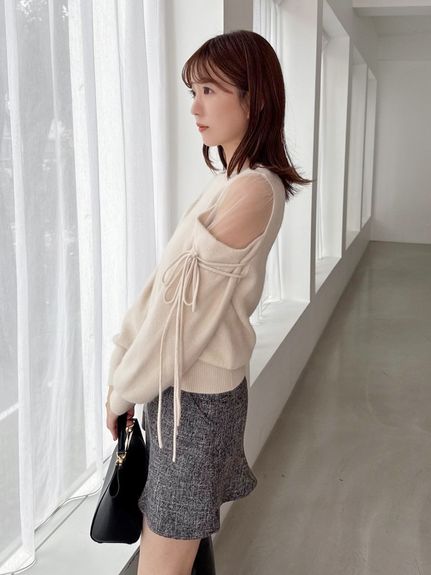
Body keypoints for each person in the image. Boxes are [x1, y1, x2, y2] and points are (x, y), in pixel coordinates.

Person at [105, 29, 312, 575]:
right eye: (192, 91)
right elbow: (164, 288)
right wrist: (123, 369)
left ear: (254, 97)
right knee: (178, 551)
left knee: (164, 562)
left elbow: (182, 319)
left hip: (194, 404)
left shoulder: (252, 190)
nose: (195, 107)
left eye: (210, 90)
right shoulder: (227, 182)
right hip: (177, 391)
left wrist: (124, 389)